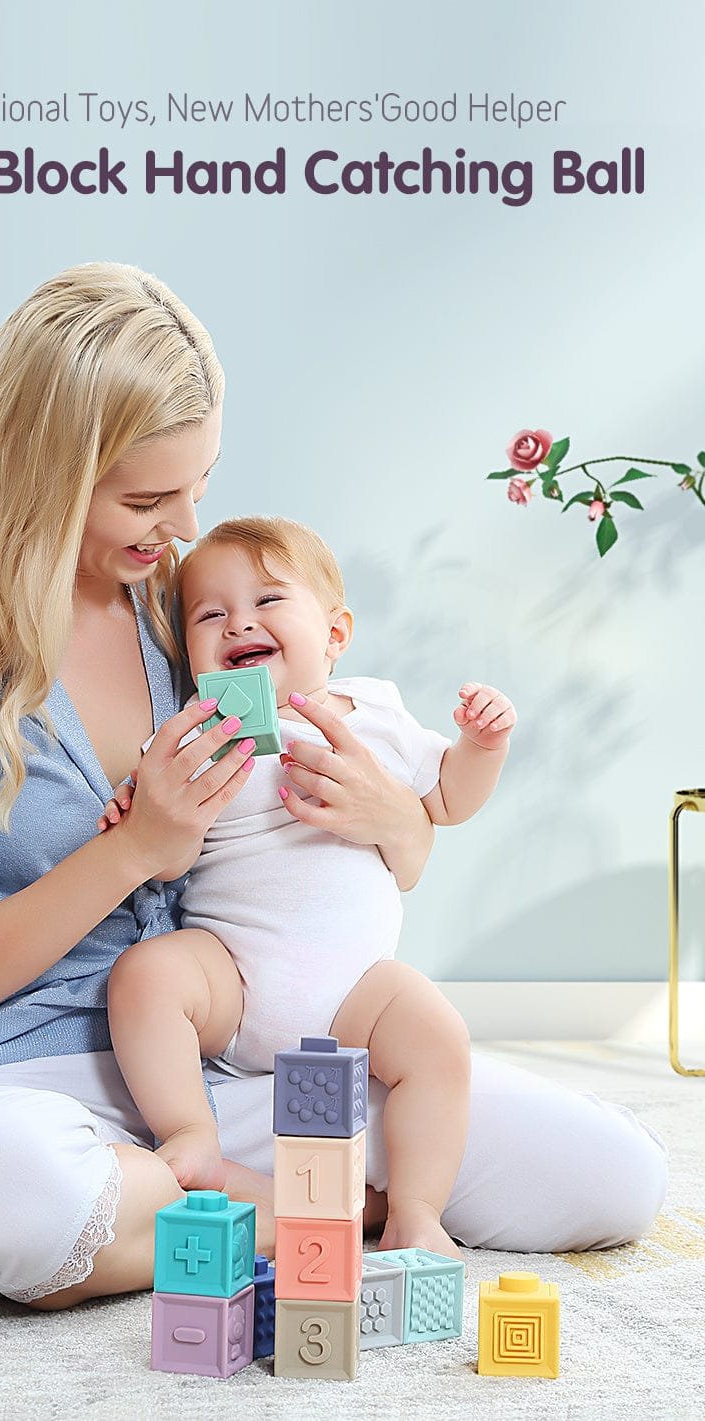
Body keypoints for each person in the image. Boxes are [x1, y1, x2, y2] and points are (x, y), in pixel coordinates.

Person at [0, 261, 667, 1312]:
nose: (180, 529)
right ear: (41, 472)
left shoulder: (180, 611)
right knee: (22, 1206)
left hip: (225, 1069)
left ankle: (223, 1205)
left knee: (611, 1178)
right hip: (2, 1084)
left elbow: (372, 833)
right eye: (145, 497)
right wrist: (131, 852)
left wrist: (395, 820)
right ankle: (289, 1212)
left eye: (197, 485)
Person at [103, 516, 516, 1260]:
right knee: (146, 975)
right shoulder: (196, 733)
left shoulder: (378, 713)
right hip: (233, 979)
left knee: (438, 1035)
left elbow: (448, 798)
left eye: (267, 600)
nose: (240, 623)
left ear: (334, 633)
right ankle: (192, 1135)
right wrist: (137, 811)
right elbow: (164, 859)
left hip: (355, 997)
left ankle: (415, 1211)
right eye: (210, 614)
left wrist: (482, 746)